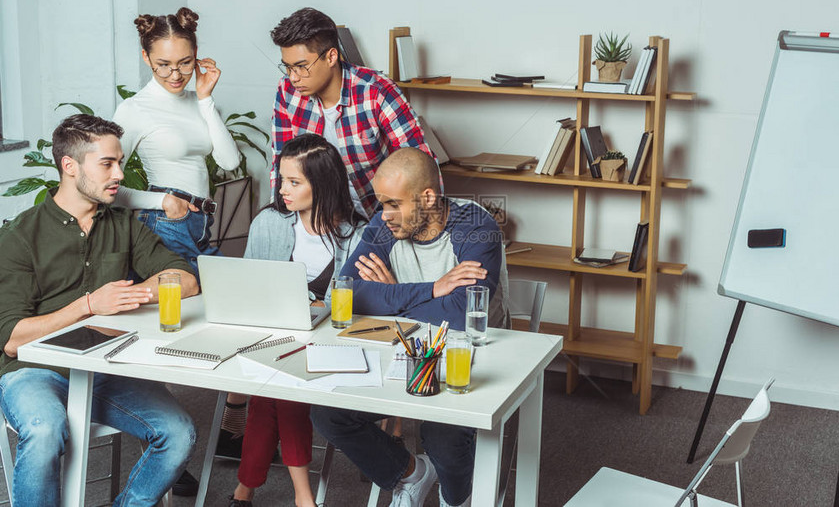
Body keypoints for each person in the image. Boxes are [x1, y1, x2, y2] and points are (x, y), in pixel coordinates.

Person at [0, 114, 199, 507]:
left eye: (120, 162)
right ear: (69, 166)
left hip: (105, 366)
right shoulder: (20, 235)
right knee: (44, 431)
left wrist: (137, 293)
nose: (120, 174)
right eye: (107, 163)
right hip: (35, 371)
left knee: (178, 434)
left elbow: (185, 279)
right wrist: (88, 306)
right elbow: (11, 339)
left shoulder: (124, 223)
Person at [311, 147, 510, 507]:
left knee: (439, 432)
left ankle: (456, 500)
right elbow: (347, 292)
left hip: (468, 357)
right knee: (328, 412)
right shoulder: (387, 224)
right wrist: (433, 289)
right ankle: (412, 474)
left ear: (428, 198)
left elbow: (463, 311)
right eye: (381, 203)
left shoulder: (476, 227)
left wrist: (389, 296)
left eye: (393, 203)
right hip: (402, 350)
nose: (383, 214)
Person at [228, 134, 365, 507]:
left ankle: (245, 492)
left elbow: (362, 307)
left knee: (277, 391)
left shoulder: (358, 236)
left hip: (333, 349)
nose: (283, 191)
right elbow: (249, 290)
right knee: (278, 390)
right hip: (272, 343)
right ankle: (303, 499)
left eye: (295, 182)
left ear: (322, 184)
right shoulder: (269, 224)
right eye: (282, 180)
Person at [270, 7, 436, 218]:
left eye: (301, 66)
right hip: (318, 217)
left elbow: (420, 165)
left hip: (377, 216)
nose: (293, 77)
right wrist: (281, 217)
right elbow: (280, 161)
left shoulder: (377, 91)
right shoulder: (287, 91)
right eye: (288, 67)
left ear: (331, 57)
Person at [112, 6, 241, 275]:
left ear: (196, 54)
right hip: (166, 221)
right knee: (186, 300)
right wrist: (164, 202)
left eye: (185, 63)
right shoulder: (134, 109)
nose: (176, 75)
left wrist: (205, 98)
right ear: (146, 58)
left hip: (201, 223)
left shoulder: (198, 101)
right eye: (163, 65)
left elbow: (229, 162)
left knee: (222, 297)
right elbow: (109, 189)